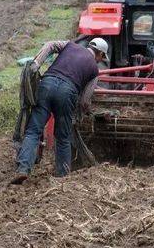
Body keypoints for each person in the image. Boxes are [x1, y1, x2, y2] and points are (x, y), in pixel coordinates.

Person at [12, 38, 108, 183]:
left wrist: (37, 63)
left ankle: (23, 169)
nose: (100, 60)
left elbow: (50, 44)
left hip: (46, 84)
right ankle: (62, 176)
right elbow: (84, 101)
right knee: (63, 137)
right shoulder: (94, 71)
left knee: (33, 131)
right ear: (100, 53)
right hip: (67, 93)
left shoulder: (69, 45)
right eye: (102, 57)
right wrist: (88, 113)